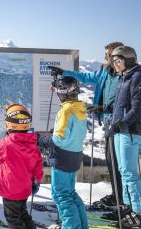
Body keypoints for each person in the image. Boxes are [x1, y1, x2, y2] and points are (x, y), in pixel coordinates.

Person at [48, 41, 124, 210]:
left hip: (118, 123)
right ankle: (116, 194)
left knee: (119, 163)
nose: (105, 58)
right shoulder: (105, 71)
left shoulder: (123, 75)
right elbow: (88, 77)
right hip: (107, 121)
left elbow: (125, 100)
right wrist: (64, 72)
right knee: (111, 161)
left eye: (107, 55)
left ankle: (121, 199)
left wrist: (105, 108)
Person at [38, 76, 88, 229]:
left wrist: (41, 140)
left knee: (61, 195)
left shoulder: (66, 110)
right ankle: (81, 225)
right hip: (75, 155)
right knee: (70, 193)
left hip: (62, 158)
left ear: (63, 92)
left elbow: (59, 139)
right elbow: (72, 133)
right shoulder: (80, 107)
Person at [105, 46, 141, 228]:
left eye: (118, 60)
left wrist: (119, 124)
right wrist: (106, 109)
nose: (115, 64)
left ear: (128, 59)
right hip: (120, 130)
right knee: (122, 170)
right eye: (113, 61)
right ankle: (128, 206)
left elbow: (136, 108)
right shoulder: (124, 77)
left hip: (130, 131)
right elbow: (122, 104)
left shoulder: (137, 77)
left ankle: (138, 212)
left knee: (129, 173)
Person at [0, 104, 43, 229]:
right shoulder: (32, 144)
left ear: (9, 124)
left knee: (13, 218)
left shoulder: (6, 143)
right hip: (25, 188)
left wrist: (4, 137)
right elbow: (38, 165)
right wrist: (37, 182)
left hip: (10, 190)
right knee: (23, 212)